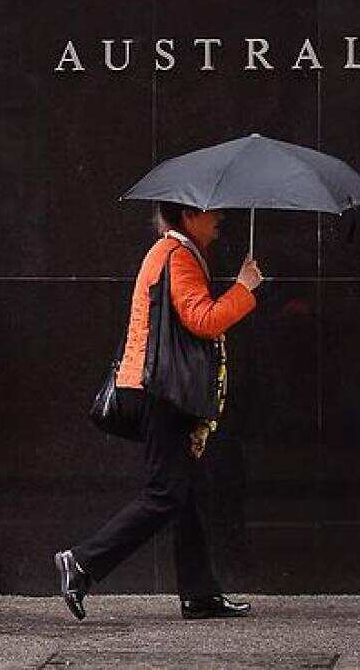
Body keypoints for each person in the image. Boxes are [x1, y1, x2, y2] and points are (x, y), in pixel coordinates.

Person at [56, 201, 263, 621]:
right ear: (189, 216)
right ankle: (81, 563)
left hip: (156, 389)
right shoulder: (178, 257)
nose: (220, 219)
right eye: (213, 213)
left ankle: (200, 592)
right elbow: (203, 320)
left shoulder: (168, 253)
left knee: (183, 491)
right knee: (166, 493)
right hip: (162, 394)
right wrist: (244, 288)